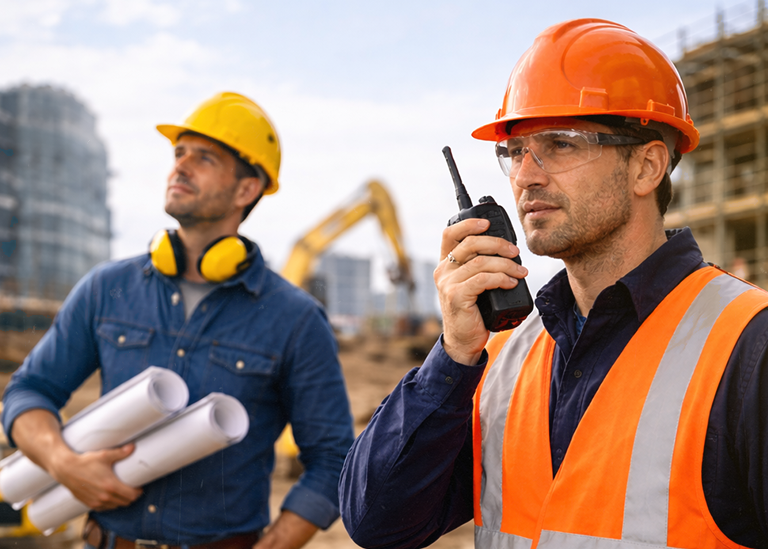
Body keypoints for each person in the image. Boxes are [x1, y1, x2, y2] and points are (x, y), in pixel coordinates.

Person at [339, 18, 768, 549]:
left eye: (560, 145)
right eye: (516, 152)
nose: (526, 175)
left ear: (647, 166)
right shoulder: (498, 353)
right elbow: (377, 522)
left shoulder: (749, 346)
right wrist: (452, 356)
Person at [2, 91, 354, 549]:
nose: (180, 167)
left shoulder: (295, 318)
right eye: (178, 153)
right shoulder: (107, 288)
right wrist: (63, 464)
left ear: (247, 189)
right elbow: (29, 391)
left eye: (203, 158)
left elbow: (332, 458)